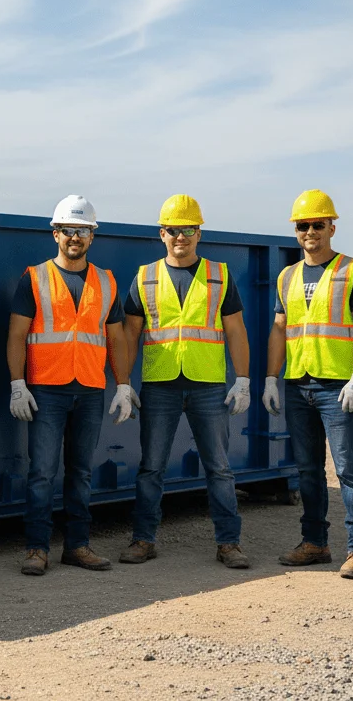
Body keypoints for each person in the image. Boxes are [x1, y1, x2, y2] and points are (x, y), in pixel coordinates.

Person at [119, 195, 252, 569]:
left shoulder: (219, 274)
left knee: (220, 468)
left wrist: (242, 380)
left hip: (208, 384)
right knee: (151, 468)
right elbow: (131, 334)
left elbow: (236, 331)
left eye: (188, 230)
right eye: (174, 230)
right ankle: (143, 540)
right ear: (162, 234)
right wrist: (122, 383)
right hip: (159, 384)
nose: (181, 237)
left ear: (199, 232)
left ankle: (229, 543)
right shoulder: (145, 277)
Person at [7, 194, 137, 576]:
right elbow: (16, 335)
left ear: (92, 235)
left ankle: (78, 546)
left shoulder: (106, 281)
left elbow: (116, 339)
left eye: (82, 230)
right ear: (56, 234)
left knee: (80, 472)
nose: (74, 236)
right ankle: (36, 549)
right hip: (46, 389)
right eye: (68, 230)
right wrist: (18, 384)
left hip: (90, 389)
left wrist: (124, 386)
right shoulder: (34, 277)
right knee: (42, 472)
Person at [261, 189, 353, 579]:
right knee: (307, 470)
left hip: (337, 386)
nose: (310, 231)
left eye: (317, 224)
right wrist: (270, 380)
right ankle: (315, 543)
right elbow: (280, 330)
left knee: (348, 468)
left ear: (332, 226)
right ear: (295, 230)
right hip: (298, 385)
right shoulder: (287, 276)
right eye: (302, 225)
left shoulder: (352, 271)